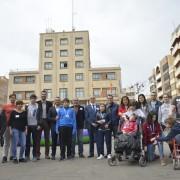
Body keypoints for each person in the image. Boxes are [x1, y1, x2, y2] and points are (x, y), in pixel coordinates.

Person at [36, 90, 52, 160]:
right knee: (38, 139)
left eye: (45, 94)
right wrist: (37, 123)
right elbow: (36, 114)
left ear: (46, 95)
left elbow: (51, 113)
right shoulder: (37, 103)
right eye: (42, 94)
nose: (43, 95)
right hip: (39, 122)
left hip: (47, 122)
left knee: (47, 139)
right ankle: (37, 155)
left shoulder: (50, 103)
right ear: (41, 95)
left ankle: (47, 154)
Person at [1, 94, 16, 163]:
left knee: (13, 142)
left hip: (14, 127)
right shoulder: (5, 106)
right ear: (9, 98)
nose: (13, 99)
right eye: (12, 98)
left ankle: (11, 155)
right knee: (6, 142)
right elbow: (1, 117)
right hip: (6, 126)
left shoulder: (16, 106)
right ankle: (4, 156)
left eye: (14, 98)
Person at [25, 94, 39, 162]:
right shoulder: (27, 106)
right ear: (30, 99)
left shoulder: (38, 106)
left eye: (34, 98)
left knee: (35, 141)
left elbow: (40, 116)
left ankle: (34, 156)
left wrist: (39, 124)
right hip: (28, 125)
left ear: (35, 99)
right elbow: (24, 116)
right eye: (31, 98)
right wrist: (25, 126)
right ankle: (27, 156)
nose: (33, 99)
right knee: (27, 141)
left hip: (35, 125)